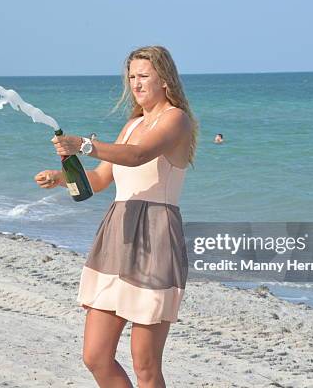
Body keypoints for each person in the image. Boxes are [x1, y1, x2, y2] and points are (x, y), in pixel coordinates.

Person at [34, 46, 198, 388]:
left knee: (146, 365)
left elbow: (138, 156)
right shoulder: (132, 124)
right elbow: (97, 180)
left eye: (144, 76)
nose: (136, 84)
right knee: (95, 355)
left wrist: (85, 145)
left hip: (156, 237)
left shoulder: (176, 119)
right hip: (117, 233)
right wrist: (61, 176)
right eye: (132, 77)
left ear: (164, 79)